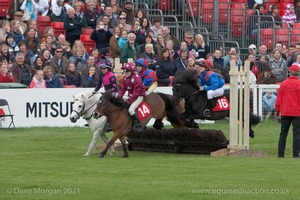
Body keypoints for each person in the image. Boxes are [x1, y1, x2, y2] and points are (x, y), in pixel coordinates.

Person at [275, 64, 300, 158]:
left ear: (290, 72)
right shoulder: (299, 84)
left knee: (283, 133)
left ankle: (280, 154)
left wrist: (277, 111)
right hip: (297, 112)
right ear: (297, 73)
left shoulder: (283, 84)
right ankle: (295, 154)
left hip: (285, 111)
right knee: (297, 133)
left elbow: (279, 99)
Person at [117, 62, 146, 132]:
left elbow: (136, 93)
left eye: (127, 71)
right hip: (131, 95)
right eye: (124, 71)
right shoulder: (124, 78)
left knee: (131, 110)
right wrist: (118, 98)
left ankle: (138, 124)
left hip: (139, 96)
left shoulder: (137, 78)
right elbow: (122, 90)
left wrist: (128, 101)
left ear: (132, 71)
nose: (125, 72)